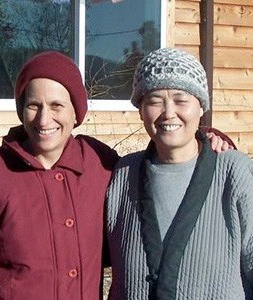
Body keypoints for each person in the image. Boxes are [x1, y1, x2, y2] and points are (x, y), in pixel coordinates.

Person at [0, 50, 234, 300]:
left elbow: (158, 163)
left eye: (56, 106)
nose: (43, 119)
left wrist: (204, 139)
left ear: (77, 112)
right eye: (33, 105)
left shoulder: (100, 164)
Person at [106, 47, 253, 299]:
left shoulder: (233, 172)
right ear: (141, 110)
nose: (168, 112)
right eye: (153, 101)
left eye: (181, 99)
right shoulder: (123, 174)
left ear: (201, 108)